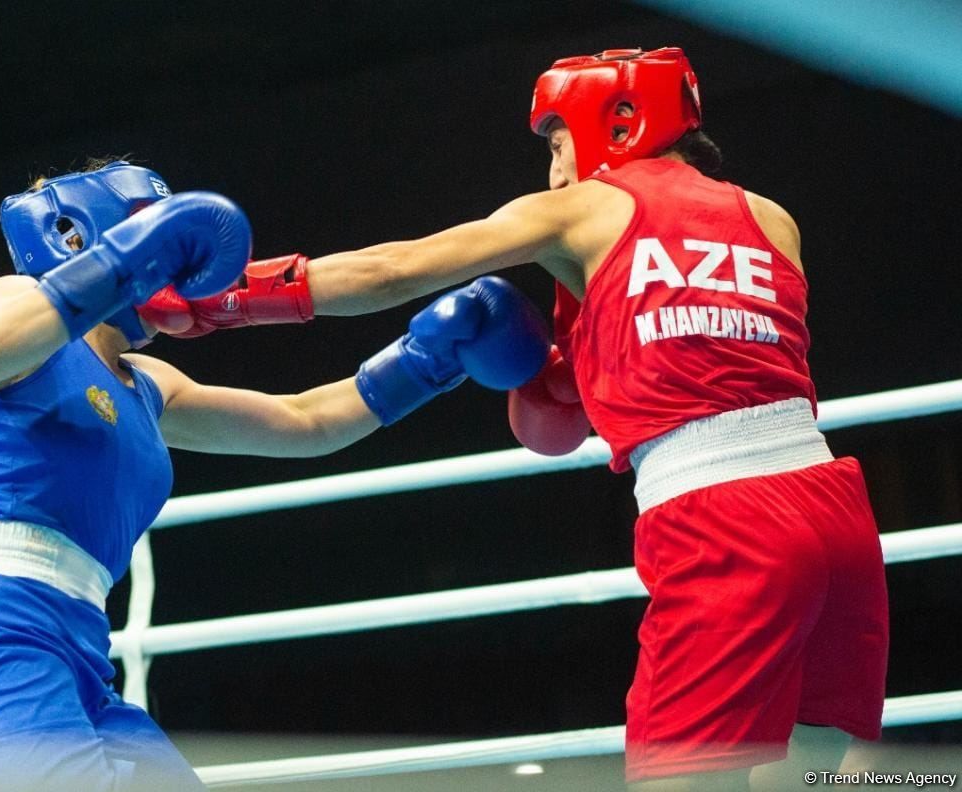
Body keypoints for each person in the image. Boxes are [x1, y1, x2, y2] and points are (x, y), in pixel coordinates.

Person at [140, 48, 889, 790]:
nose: (555, 169)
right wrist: (567, 372)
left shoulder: (583, 208)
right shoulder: (771, 218)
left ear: (618, 125)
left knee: (679, 778)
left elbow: (391, 268)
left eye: (559, 142)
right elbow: (699, 361)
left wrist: (219, 302)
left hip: (721, 519)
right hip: (834, 511)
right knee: (808, 771)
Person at [0, 159, 552, 792]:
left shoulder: (149, 386)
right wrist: (125, 264)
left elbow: (305, 422)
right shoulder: (14, 303)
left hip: (80, 656)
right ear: (87, 236)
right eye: (150, 233)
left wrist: (429, 361)